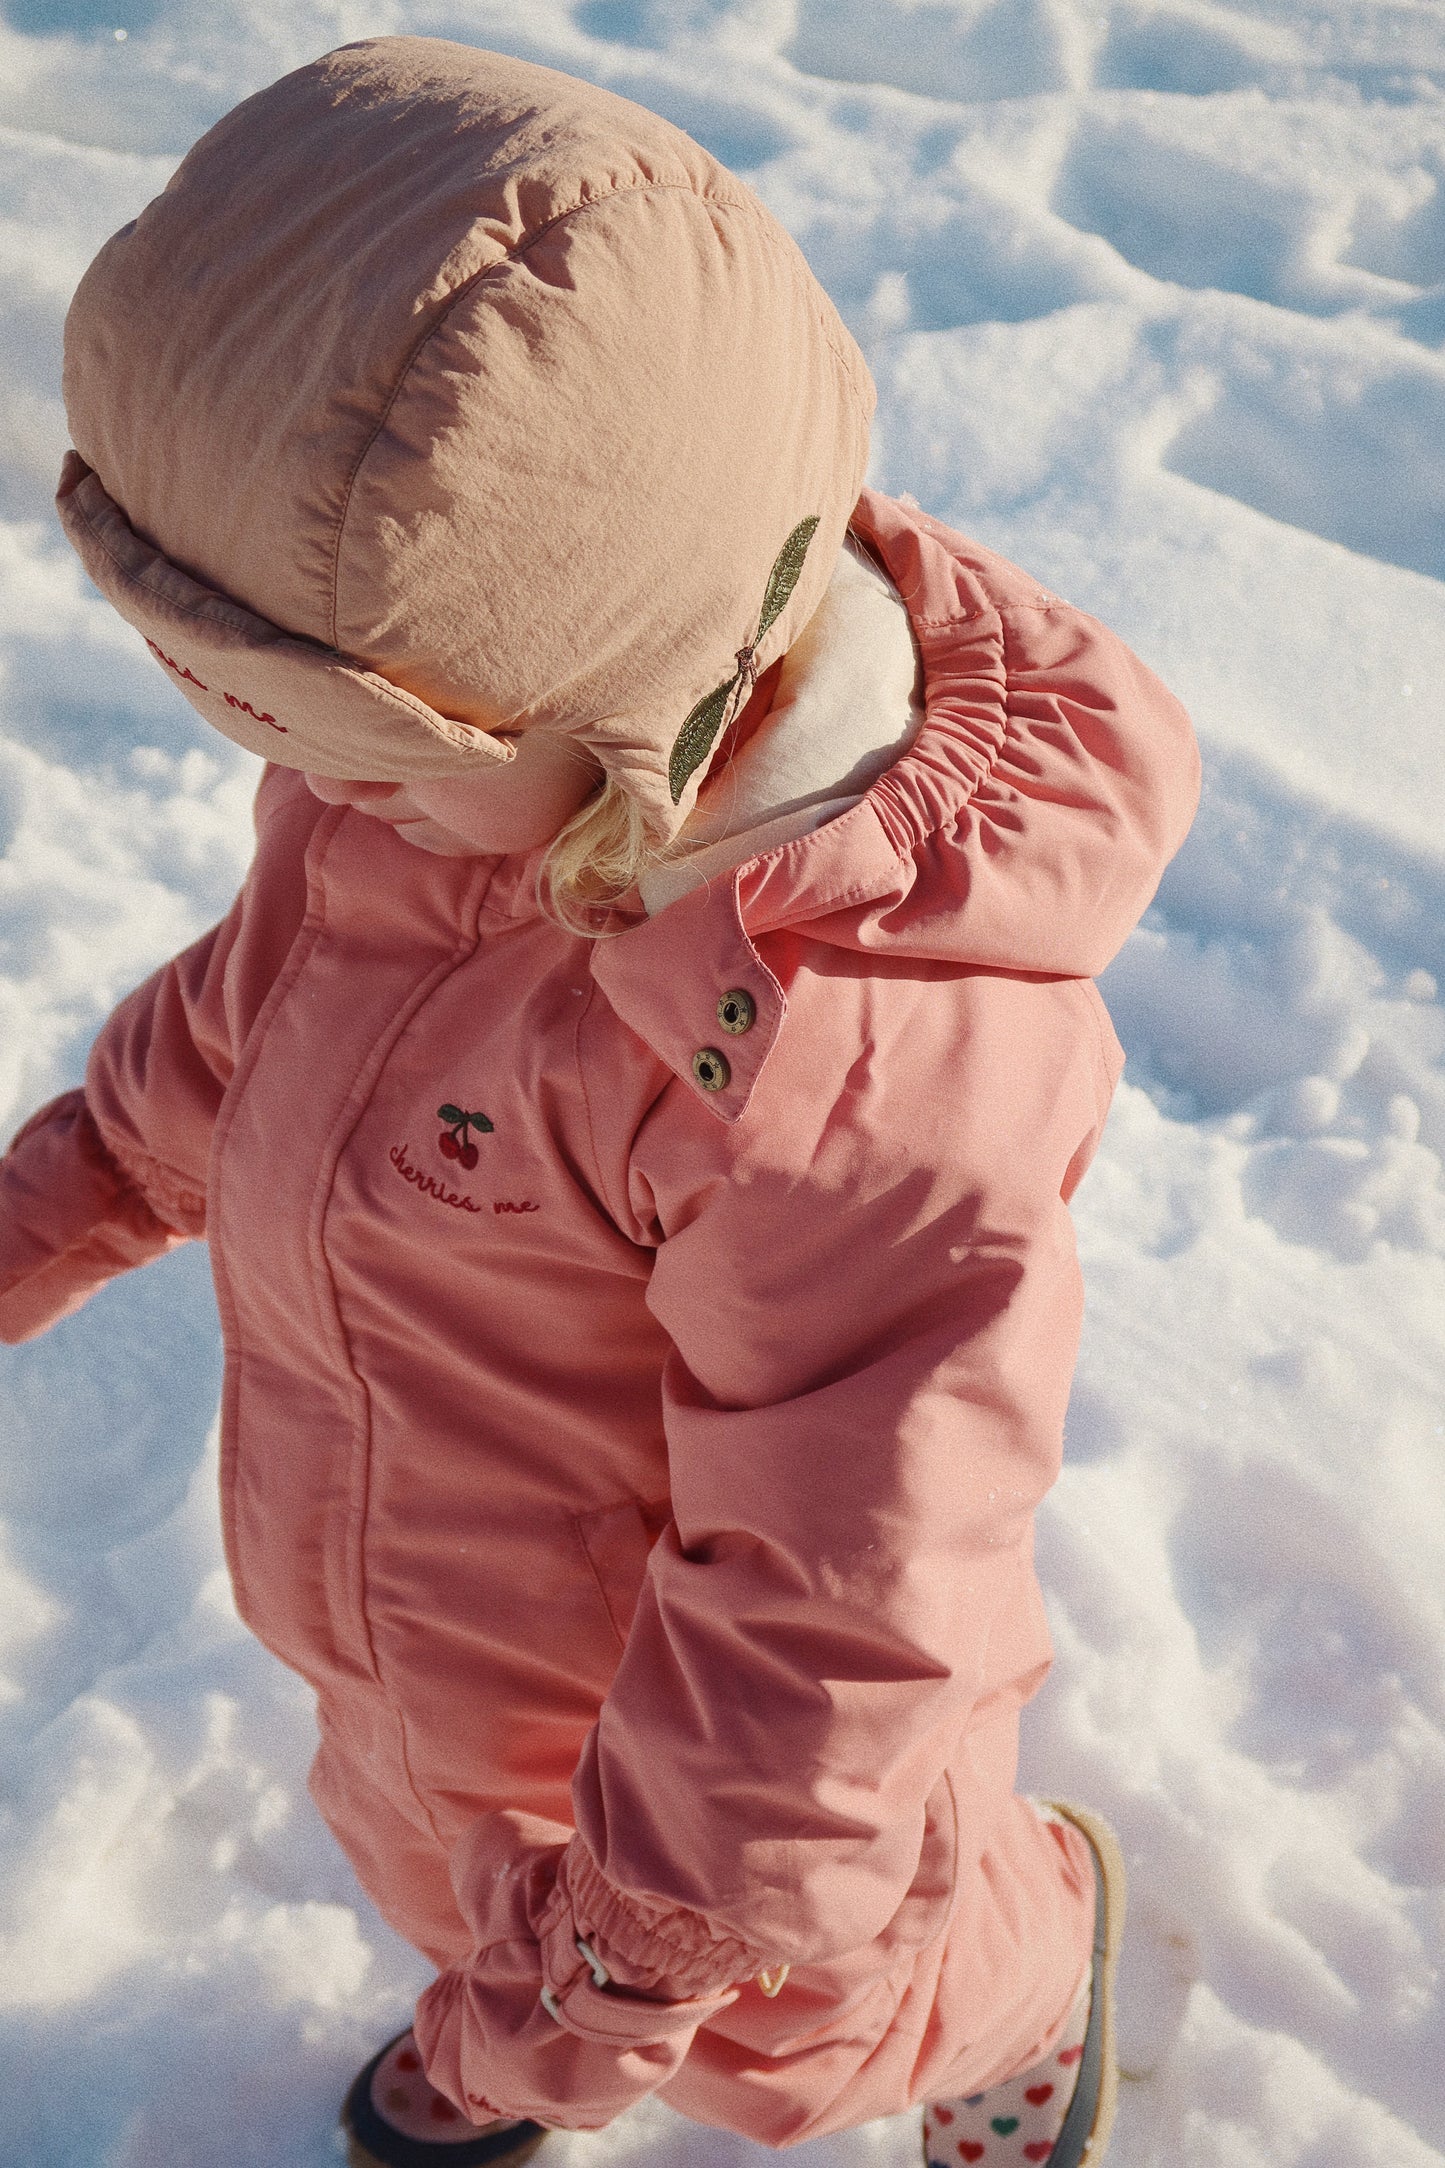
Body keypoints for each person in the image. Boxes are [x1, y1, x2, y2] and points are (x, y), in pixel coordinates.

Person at [0, 36, 1199, 2168]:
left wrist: (604, 1983)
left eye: (341, 747)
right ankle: (516, 1965)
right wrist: (56, 1198)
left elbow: (839, 1616)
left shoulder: (848, 1087)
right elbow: (257, 1031)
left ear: (608, 691)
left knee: (814, 2031)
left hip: (741, 1803)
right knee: (447, 1854)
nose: (292, 789)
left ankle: (1034, 1960)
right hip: (450, 1633)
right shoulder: (458, 793)